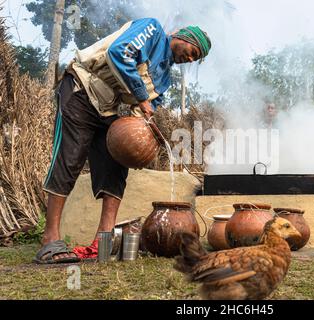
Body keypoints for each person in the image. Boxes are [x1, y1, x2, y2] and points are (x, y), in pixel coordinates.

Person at [33, 18, 211, 264]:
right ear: (182, 38)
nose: (190, 59)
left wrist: (142, 140)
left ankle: (102, 240)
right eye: (192, 52)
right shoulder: (153, 30)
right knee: (70, 159)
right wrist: (141, 97)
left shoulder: (165, 79)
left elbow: (143, 114)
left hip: (109, 109)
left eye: (195, 58)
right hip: (81, 91)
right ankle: (50, 240)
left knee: (116, 169)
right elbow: (120, 52)